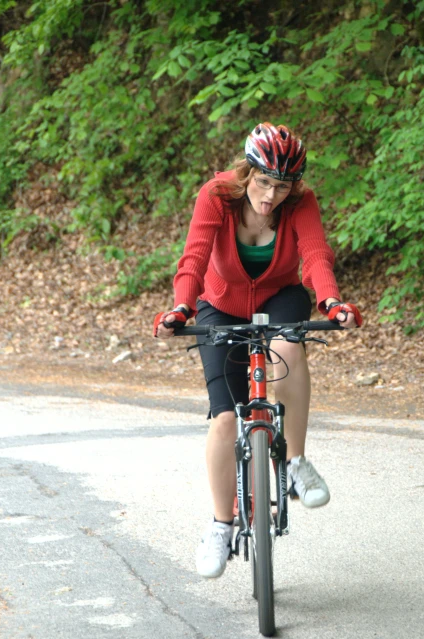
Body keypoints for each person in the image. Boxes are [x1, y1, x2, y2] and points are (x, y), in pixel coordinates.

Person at [153, 122, 362, 579]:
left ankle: (297, 464)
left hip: (278, 296)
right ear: (248, 174)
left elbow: (316, 253)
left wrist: (331, 301)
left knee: (291, 344)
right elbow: (194, 256)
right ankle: (219, 526)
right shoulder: (216, 195)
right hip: (218, 305)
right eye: (264, 182)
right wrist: (181, 308)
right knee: (225, 418)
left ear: (294, 186)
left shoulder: (300, 204)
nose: (270, 195)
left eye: (281, 185)